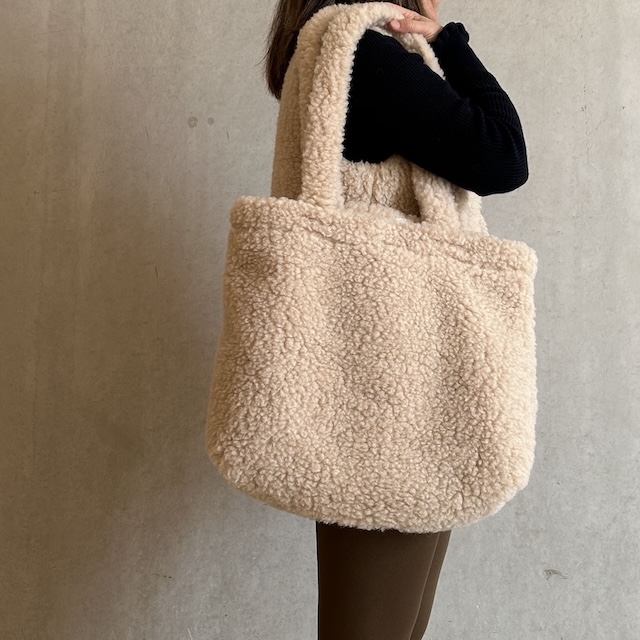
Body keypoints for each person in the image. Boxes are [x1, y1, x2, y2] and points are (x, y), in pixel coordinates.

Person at [262, 1, 529, 638]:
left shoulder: (337, 49)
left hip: (385, 391)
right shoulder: (363, 53)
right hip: (393, 402)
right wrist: (453, 45)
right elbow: (503, 156)